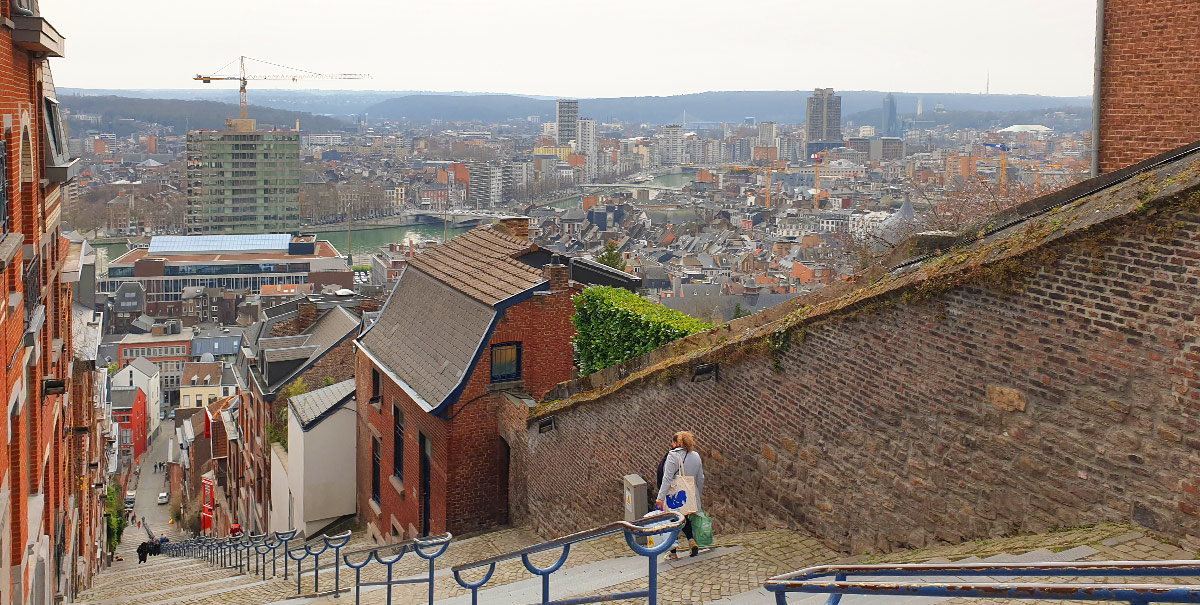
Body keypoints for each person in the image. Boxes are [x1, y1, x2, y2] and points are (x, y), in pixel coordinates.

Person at [655, 431, 705, 558]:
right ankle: (691, 541)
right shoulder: (696, 456)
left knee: (672, 518)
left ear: (677, 443)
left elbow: (667, 478)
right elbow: (701, 478)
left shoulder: (673, 456)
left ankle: (673, 552)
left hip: (675, 495)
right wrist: (696, 494)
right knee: (683, 517)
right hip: (688, 496)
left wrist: (660, 497)